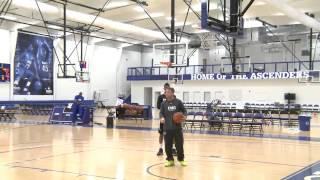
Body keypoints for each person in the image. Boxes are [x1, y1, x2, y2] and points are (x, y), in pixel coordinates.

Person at [160, 87, 187, 167]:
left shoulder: (178, 102)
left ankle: (181, 159)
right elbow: (161, 113)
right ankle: (170, 160)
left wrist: (184, 116)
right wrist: (161, 118)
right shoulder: (163, 104)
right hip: (167, 128)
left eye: (168, 92)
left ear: (172, 93)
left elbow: (184, 111)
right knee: (168, 145)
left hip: (177, 128)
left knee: (179, 145)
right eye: (165, 92)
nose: (166, 93)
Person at [156, 83, 177, 156]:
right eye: (165, 88)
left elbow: (175, 105)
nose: (167, 89)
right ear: (164, 88)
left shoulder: (173, 97)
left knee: (173, 133)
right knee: (161, 133)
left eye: (168, 88)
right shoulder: (160, 97)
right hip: (163, 118)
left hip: (172, 118)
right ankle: (160, 148)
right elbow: (158, 107)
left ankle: (173, 148)